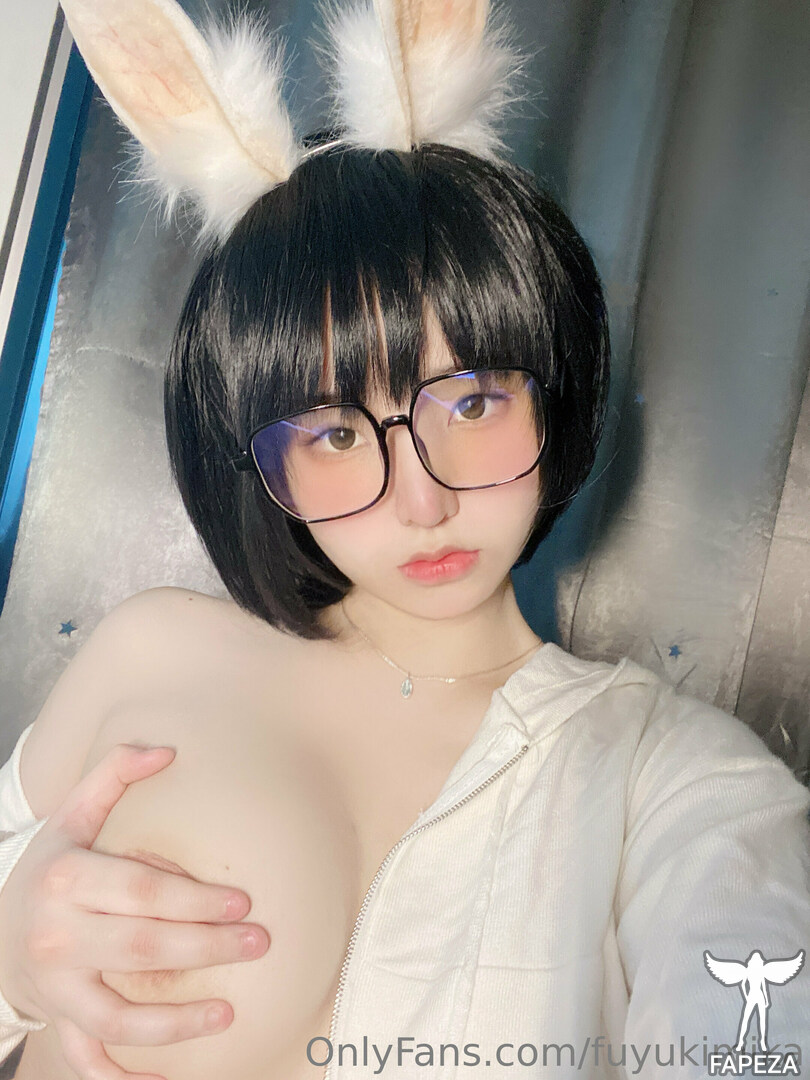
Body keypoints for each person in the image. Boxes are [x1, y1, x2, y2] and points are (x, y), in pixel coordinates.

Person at [1, 0, 809, 1078]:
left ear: (552, 393)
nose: (421, 502)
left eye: (470, 403)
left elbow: (754, 1021)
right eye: (337, 433)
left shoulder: (671, 777)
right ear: (258, 459)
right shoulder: (150, 650)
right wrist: (11, 961)